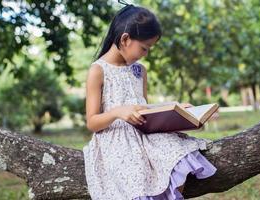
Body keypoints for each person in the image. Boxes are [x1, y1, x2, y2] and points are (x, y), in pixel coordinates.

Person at [83, 2, 217, 199]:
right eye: (144, 48)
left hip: (144, 133)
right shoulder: (98, 70)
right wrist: (117, 112)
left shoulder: (140, 71)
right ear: (125, 39)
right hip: (117, 140)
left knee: (177, 152)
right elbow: (92, 122)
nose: (146, 54)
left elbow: (143, 106)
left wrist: (175, 108)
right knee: (136, 172)